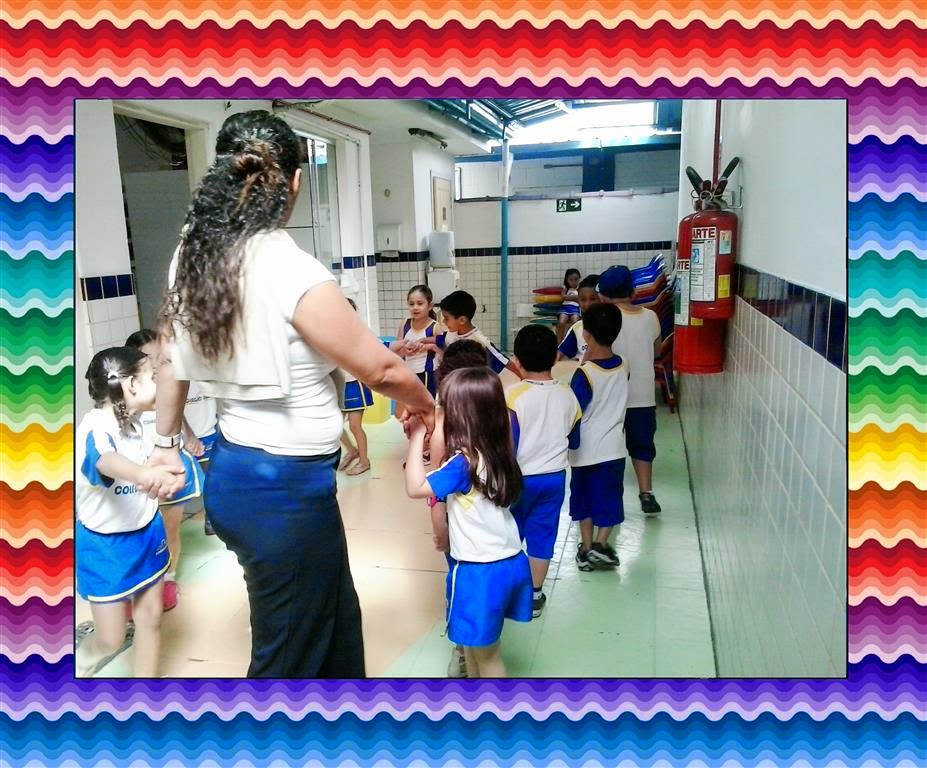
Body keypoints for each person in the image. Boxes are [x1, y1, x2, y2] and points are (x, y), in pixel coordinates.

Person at [150, 109, 434, 678]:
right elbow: (380, 370)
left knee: (333, 616)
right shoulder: (287, 265)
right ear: (296, 181)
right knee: (288, 655)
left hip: (244, 474)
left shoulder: (193, 254)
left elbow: (167, 357)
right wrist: (430, 407)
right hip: (281, 493)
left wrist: (163, 443)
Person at [405, 367, 532, 678]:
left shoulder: (463, 463)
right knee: (474, 650)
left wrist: (418, 436)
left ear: (460, 416)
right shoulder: (499, 452)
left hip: (479, 572)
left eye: (442, 406)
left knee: (488, 658)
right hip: (510, 562)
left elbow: (415, 487)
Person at [75, 347, 175, 677]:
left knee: (151, 620)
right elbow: (105, 460)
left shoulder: (142, 422)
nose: (160, 384)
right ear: (131, 385)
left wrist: (168, 477)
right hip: (105, 546)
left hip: (148, 534)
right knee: (111, 639)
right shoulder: (95, 427)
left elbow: (161, 464)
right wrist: (144, 475)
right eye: (153, 377)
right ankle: (78, 662)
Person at [126, 329, 209, 610]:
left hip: (171, 468)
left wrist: (190, 435)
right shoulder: (128, 396)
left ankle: (169, 580)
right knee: (144, 530)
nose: (154, 364)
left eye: (158, 357)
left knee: (171, 526)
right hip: (140, 472)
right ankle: (143, 582)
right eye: (146, 358)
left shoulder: (165, 385)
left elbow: (177, 413)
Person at [506, 325, 582, 617]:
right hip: (555, 478)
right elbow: (574, 439)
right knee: (543, 535)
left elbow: (509, 444)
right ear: (554, 358)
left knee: (510, 533)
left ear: (517, 361)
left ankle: (509, 593)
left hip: (519, 478)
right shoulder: (568, 395)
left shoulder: (513, 395)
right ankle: (535, 596)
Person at [428, 338, 491, 678]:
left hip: (466, 524)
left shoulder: (448, 425)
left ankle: (466, 650)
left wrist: (438, 525)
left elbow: (433, 487)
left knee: (461, 580)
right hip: (490, 523)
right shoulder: (499, 413)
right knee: (477, 583)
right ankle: (472, 648)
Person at [568, 303, 630, 571]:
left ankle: (586, 548)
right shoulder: (624, 365)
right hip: (614, 450)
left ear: (586, 334)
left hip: (585, 452)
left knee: (584, 500)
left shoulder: (584, 374)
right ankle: (601, 544)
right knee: (610, 499)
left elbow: (574, 411)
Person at [597, 265, 663, 515]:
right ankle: (647, 493)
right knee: (643, 446)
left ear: (603, 296)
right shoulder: (651, 317)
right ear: (633, 291)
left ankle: (607, 494)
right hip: (643, 396)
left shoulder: (603, 318)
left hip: (610, 396)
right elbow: (657, 351)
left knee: (607, 446)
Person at [424, 290, 519, 377]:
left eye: (446, 318)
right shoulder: (451, 334)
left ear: (462, 320)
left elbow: (503, 360)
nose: (443, 321)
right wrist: (421, 340)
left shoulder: (479, 341)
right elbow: (439, 339)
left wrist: (522, 376)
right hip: (456, 381)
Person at [337, 298, 374, 476]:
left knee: (354, 425)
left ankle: (364, 461)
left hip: (355, 384)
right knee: (335, 425)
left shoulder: (359, 334)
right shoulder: (332, 333)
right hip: (340, 384)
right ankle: (352, 450)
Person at [388, 285, 439, 408]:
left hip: (427, 375)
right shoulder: (404, 324)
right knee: (404, 412)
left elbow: (444, 349)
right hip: (408, 374)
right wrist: (405, 351)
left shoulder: (435, 327)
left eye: (420, 304)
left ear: (430, 306)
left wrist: (427, 345)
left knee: (425, 410)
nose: (415, 307)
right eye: (411, 304)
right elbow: (396, 351)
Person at [557, 274, 600, 361]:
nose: (587, 304)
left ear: (602, 298)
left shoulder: (614, 325)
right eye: (583, 299)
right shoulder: (577, 328)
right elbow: (559, 354)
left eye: (593, 299)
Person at [557, 268, 581, 343]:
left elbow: (579, 298)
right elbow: (562, 297)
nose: (573, 282)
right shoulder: (565, 288)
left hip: (575, 309)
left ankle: (575, 342)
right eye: (571, 280)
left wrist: (567, 297)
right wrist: (574, 298)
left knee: (575, 323)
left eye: (576, 279)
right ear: (567, 280)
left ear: (579, 279)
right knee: (561, 323)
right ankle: (559, 343)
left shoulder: (580, 288)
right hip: (565, 308)